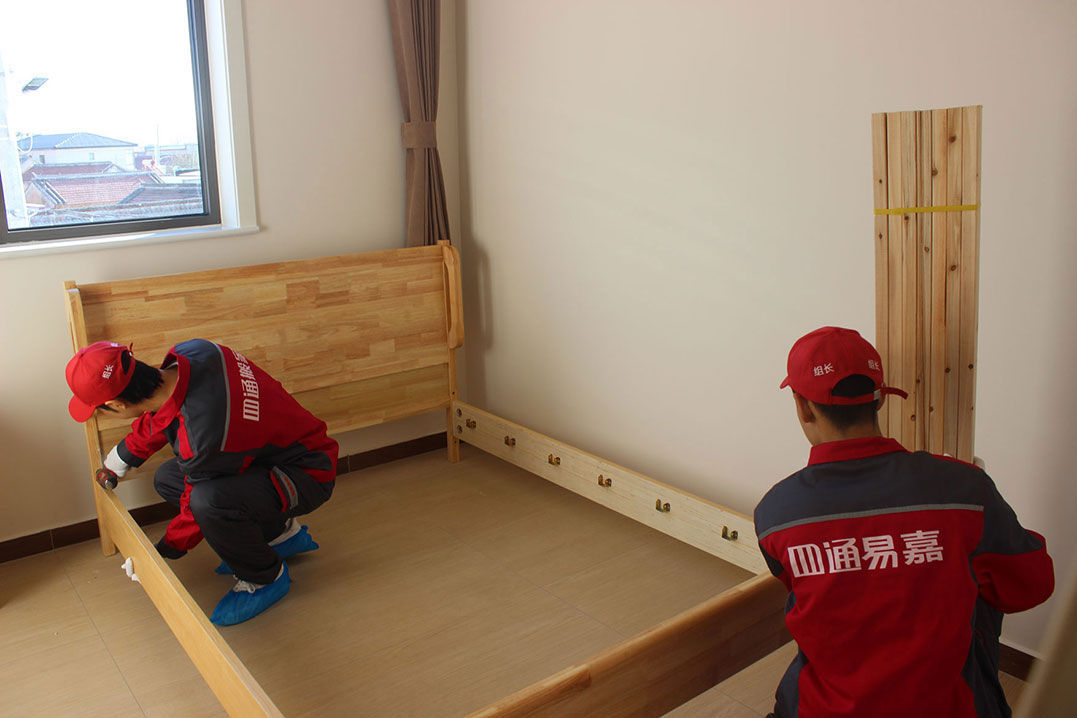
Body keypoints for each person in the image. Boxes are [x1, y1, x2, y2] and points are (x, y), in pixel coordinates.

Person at [754, 326, 1054, 718]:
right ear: (879, 399)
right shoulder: (964, 490)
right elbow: (1033, 585)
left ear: (802, 407)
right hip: (950, 708)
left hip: (823, 709)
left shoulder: (776, 514)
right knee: (974, 574)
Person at [65, 339, 338, 626]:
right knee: (169, 478)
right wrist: (120, 459)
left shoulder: (202, 440)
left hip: (306, 473)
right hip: (270, 454)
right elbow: (165, 414)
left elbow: (194, 508)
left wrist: (163, 551)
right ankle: (280, 535)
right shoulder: (194, 351)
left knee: (208, 502)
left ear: (116, 405)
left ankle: (265, 578)